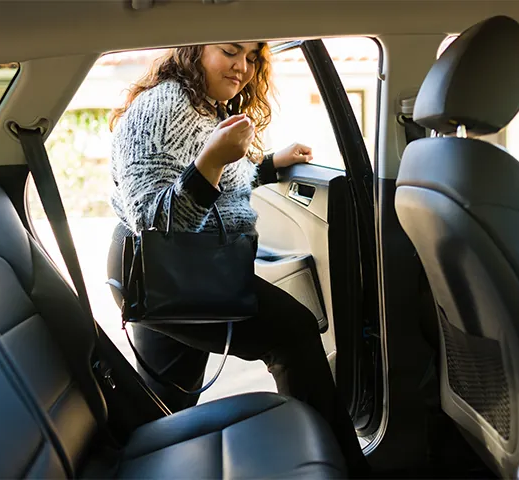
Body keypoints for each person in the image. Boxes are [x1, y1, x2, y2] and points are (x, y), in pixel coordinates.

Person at [107, 42, 367, 476]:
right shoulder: (161, 106)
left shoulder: (203, 105)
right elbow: (156, 226)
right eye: (231, 51)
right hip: (169, 270)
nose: (242, 68)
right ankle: (341, 467)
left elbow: (222, 184)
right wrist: (212, 158)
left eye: (252, 58)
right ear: (194, 50)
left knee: (165, 400)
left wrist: (265, 165)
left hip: (178, 271)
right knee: (294, 330)